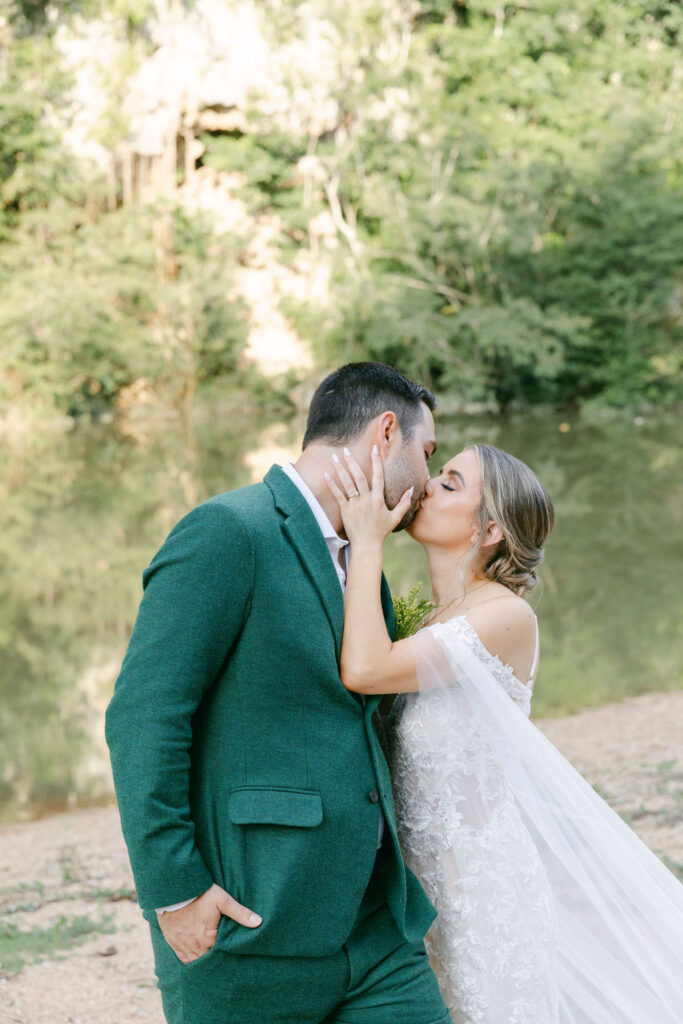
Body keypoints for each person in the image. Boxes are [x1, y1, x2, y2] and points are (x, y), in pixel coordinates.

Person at [104, 362, 453, 1024]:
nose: (429, 479)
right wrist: (177, 893)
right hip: (252, 924)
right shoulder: (229, 531)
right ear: (385, 433)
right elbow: (143, 718)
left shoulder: (361, 553)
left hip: (377, 933)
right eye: (425, 451)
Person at [325, 443, 683, 1024]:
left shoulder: (504, 616)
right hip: (416, 897)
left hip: (483, 897)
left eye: (450, 482)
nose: (427, 485)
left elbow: (364, 670)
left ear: (489, 529)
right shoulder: (429, 622)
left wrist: (365, 542)